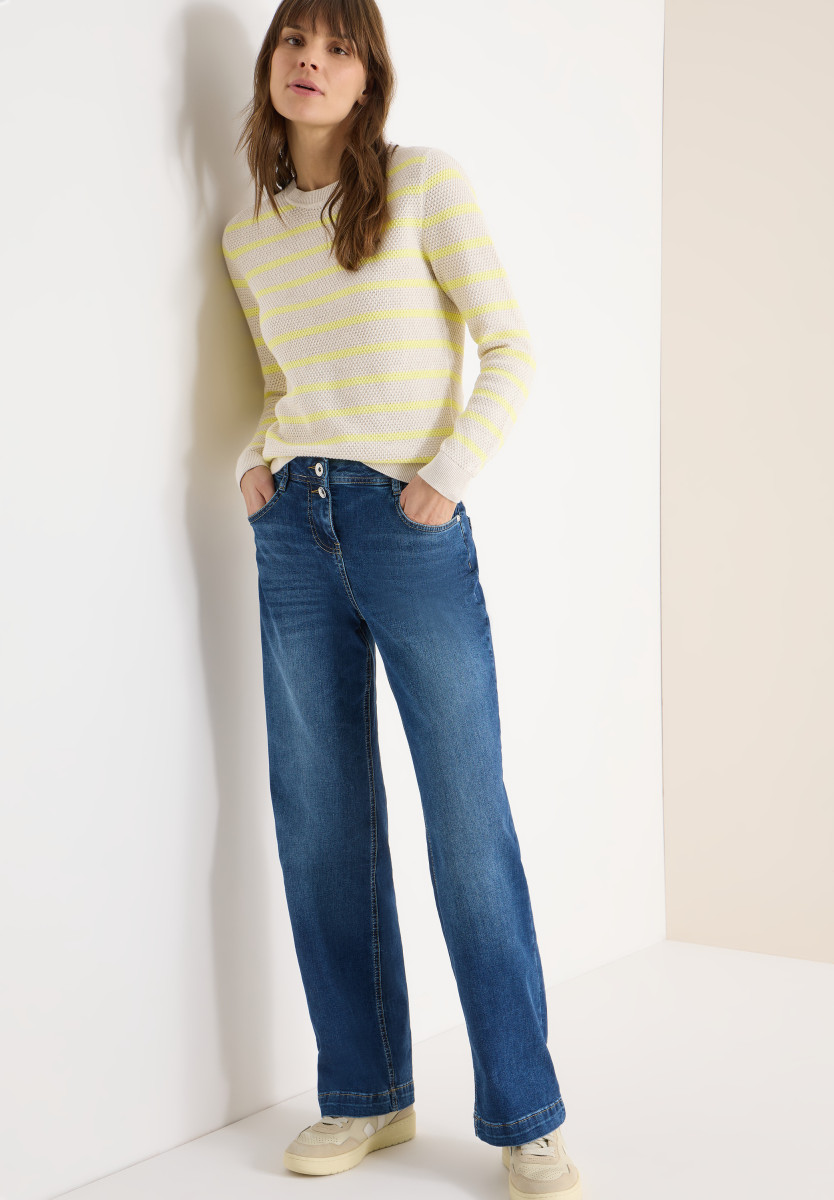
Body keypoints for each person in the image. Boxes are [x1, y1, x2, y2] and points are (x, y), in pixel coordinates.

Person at [221, 2, 582, 1196]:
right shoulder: (250, 234)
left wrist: (445, 478)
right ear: (271, 64)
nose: (311, 61)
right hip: (293, 534)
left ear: (369, 75)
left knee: (467, 820)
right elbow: (279, 378)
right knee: (321, 820)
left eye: (338, 47)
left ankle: (526, 1112)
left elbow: (511, 347)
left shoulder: (426, 184)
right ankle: (366, 1096)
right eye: (295, 41)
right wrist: (256, 463)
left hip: (409, 525)